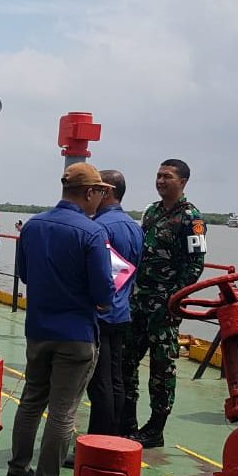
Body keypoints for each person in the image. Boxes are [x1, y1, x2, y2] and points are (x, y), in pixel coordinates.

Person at [4, 162, 114, 476]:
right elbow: (103, 293)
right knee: (63, 411)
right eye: (100, 192)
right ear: (90, 192)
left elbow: (24, 273)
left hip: (38, 330)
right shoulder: (92, 233)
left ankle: (18, 470)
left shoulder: (33, 226)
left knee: (31, 400)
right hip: (76, 334)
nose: (100, 199)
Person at [121, 159, 206, 448]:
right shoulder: (152, 212)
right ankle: (127, 421)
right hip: (139, 300)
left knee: (161, 368)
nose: (160, 181)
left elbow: (195, 265)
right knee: (126, 360)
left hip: (164, 307)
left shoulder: (192, 218)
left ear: (182, 182)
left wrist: (174, 299)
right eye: (158, 176)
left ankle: (155, 428)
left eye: (167, 177)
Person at [87, 170, 143, 436]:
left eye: (95, 189)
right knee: (115, 379)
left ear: (106, 192)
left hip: (100, 314)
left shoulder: (99, 228)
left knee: (99, 383)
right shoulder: (135, 227)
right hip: (121, 312)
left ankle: (99, 438)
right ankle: (114, 434)